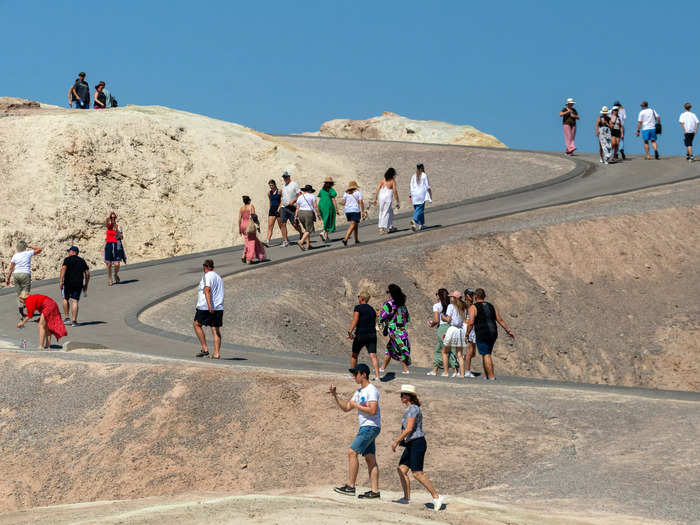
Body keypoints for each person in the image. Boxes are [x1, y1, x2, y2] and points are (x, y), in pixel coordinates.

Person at [329, 363, 381, 499]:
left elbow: (373, 410)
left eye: (356, 374)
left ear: (363, 374)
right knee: (370, 458)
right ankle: (375, 492)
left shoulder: (371, 390)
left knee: (352, 452)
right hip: (367, 427)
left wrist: (357, 405)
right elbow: (346, 407)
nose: (354, 376)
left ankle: (351, 487)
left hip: (370, 426)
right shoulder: (358, 392)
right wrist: (335, 396)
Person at [391, 384, 444, 511]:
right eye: (401, 394)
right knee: (402, 469)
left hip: (417, 442)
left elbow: (409, 428)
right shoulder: (409, 409)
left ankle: (436, 497)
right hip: (411, 443)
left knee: (417, 473)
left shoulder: (413, 409)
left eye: (404, 394)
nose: (401, 396)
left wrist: (396, 441)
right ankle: (406, 498)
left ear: (410, 396)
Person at [465, 288, 514, 380]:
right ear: (485, 296)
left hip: (482, 332)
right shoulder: (491, 306)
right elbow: (499, 319)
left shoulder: (473, 307)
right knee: (486, 353)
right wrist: (508, 330)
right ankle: (487, 376)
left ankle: (491, 377)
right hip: (493, 332)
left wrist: (467, 333)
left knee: (486, 354)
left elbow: (471, 322)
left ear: (475, 296)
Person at [193, 259, 224, 359]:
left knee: (197, 324)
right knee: (215, 330)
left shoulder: (208, 276)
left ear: (204, 267)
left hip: (206, 307)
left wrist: (209, 305)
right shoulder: (218, 277)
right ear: (213, 266)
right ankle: (216, 353)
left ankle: (205, 349)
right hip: (219, 307)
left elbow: (207, 290)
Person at [347, 290, 381, 380]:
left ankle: (352, 375)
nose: (358, 298)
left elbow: (355, 320)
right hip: (372, 334)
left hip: (361, 334)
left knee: (354, 354)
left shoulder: (358, 308)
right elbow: (375, 322)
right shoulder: (372, 309)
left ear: (361, 298)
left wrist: (350, 331)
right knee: (373, 355)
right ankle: (378, 376)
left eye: (358, 297)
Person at [379, 284, 411, 374]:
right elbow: (407, 319)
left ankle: (406, 370)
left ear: (391, 293)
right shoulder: (403, 305)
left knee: (399, 349)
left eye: (387, 292)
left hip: (394, 331)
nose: (387, 294)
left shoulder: (389, 304)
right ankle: (382, 368)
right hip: (402, 331)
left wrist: (381, 322)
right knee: (389, 348)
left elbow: (382, 317)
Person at [4, 240, 42, 318]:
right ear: (25, 247)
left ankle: (22, 313)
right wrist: (30, 246)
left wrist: (8, 279)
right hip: (25, 274)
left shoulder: (15, 255)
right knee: (25, 294)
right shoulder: (28, 253)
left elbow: (11, 268)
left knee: (19, 295)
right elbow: (39, 249)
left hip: (16, 274)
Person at [427, 288, 459, 376]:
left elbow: (436, 320)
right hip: (451, 327)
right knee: (439, 348)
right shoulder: (450, 305)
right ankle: (435, 370)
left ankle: (454, 371)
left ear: (439, 296)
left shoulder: (436, 306)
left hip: (442, 328)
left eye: (436, 294)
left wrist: (431, 324)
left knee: (446, 350)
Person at [440, 291, 468, 377]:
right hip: (460, 330)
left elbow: (448, 319)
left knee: (445, 351)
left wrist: (442, 317)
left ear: (454, 298)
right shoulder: (463, 307)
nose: (450, 297)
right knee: (459, 354)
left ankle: (445, 372)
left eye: (451, 296)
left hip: (452, 329)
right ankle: (462, 374)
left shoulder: (450, 306)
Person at [59, 246, 90, 326]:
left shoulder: (67, 260)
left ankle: (66, 318)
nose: (68, 253)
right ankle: (74, 321)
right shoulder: (82, 261)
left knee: (65, 299)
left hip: (68, 282)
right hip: (78, 283)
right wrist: (86, 284)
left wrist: (61, 281)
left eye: (69, 251)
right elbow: (87, 273)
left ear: (73, 252)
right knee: (75, 301)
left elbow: (63, 269)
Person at [278, 171, 303, 247]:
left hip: (292, 207)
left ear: (289, 177)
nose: (285, 178)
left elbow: (300, 194)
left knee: (295, 224)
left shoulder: (294, 184)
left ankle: (301, 233)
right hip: (284, 207)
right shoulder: (284, 186)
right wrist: (279, 207)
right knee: (282, 223)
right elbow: (283, 198)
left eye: (286, 177)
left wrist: (294, 201)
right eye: (284, 177)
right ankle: (285, 241)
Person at [373, 167, 400, 234]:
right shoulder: (392, 181)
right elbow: (395, 191)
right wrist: (398, 200)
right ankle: (381, 228)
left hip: (381, 196)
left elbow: (378, 189)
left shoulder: (383, 180)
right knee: (386, 212)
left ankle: (390, 227)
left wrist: (375, 199)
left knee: (387, 211)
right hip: (388, 196)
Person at [295, 184, 320, 251]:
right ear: (310, 190)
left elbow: (297, 208)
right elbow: (315, 206)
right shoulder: (312, 196)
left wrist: (295, 216)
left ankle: (308, 245)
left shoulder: (300, 197)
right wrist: (318, 214)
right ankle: (301, 241)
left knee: (306, 229)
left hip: (300, 213)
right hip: (308, 213)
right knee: (309, 230)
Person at [341, 181, 366, 246]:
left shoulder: (345, 193)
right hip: (355, 210)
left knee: (356, 225)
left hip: (347, 211)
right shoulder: (358, 192)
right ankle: (345, 239)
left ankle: (356, 239)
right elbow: (361, 202)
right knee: (353, 225)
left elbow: (343, 202)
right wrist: (363, 211)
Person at [409, 164, 431, 231]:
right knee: (420, 209)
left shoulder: (413, 176)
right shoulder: (424, 175)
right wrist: (430, 193)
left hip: (414, 195)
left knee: (418, 209)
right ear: (422, 168)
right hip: (421, 194)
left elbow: (411, 185)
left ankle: (421, 225)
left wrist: (410, 194)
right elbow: (427, 186)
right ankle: (414, 220)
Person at [105, 211, 125, 285]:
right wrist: (108, 217)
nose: (113, 218)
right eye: (111, 217)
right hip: (109, 245)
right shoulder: (108, 226)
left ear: (116, 218)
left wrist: (117, 232)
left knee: (117, 264)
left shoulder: (118, 226)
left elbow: (122, 237)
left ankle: (115, 274)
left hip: (117, 246)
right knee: (109, 264)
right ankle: (110, 279)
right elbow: (106, 223)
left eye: (114, 217)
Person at [317, 176, 339, 242]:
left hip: (321, 205)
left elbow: (320, 198)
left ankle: (325, 235)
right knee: (328, 220)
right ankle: (324, 234)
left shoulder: (321, 190)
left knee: (325, 220)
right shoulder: (331, 190)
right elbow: (333, 200)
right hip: (328, 206)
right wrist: (336, 209)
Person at [265, 179, 282, 246]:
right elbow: (270, 201)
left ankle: (285, 239)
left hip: (279, 210)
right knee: (270, 226)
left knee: (281, 226)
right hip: (272, 210)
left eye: (272, 185)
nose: (271, 187)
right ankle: (267, 241)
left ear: (275, 185)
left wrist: (279, 209)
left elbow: (281, 201)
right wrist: (270, 208)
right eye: (270, 185)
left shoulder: (279, 191)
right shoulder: (269, 193)